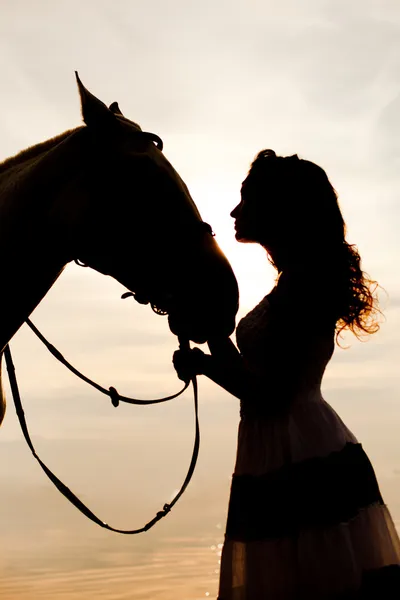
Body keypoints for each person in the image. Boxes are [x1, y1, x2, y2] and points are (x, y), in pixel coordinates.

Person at [173, 149, 400, 599]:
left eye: (247, 200)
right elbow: (253, 377)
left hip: (298, 451)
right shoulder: (296, 282)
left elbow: (270, 395)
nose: (236, 211)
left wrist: (203, 364)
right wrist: (211, 341)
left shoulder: (305, 288)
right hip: (283, 444)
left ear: (279, 209)